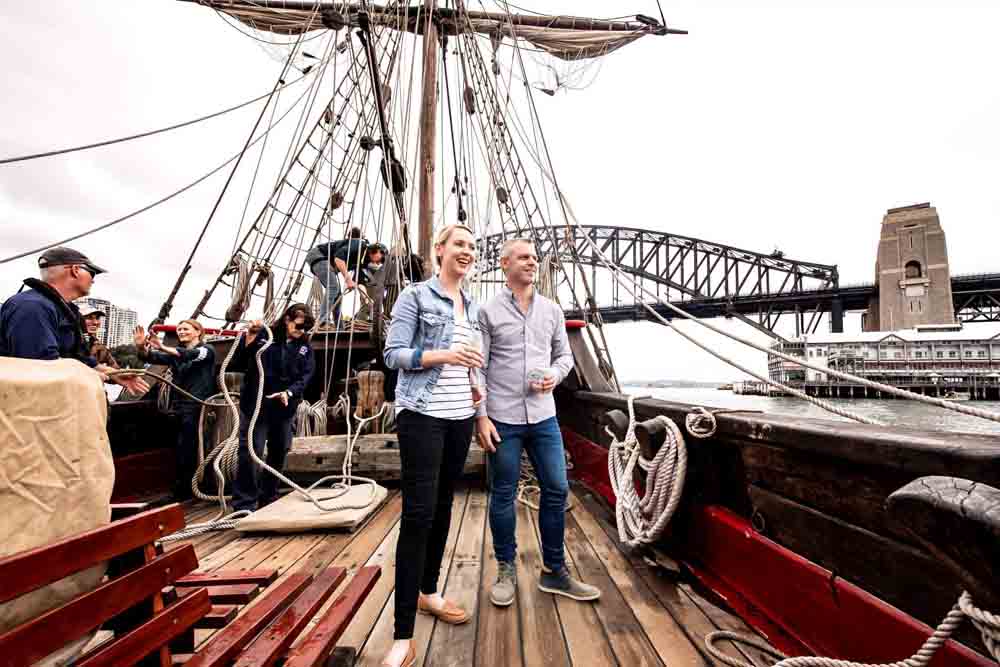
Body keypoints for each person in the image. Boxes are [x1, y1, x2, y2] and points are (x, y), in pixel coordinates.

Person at [476, 238, 601, 608]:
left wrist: (554, 375)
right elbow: (478, 367)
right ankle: (506, 569)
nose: (532, 262)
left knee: (557, 488)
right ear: (505, 264)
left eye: (534, 257)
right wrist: (481, 417)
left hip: (544, 415)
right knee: (503, 493)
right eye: (523, 257)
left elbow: (564, 356)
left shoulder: (552, 311)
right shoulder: (487, 312)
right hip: (503, 417)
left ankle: (554, 571)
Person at [380, 223, 483, 667]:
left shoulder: (472, 306)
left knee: (442, 508)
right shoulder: (415, 296)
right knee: (418, 516)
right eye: (459, 243)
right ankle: (402, 636)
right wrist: (444, 355)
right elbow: (393, 354)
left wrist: (479, 407)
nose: (467, 251)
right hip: (422, 416)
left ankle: (429, 592)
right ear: (439, 250)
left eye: (472, 246)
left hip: (460, 418)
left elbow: (473, 366)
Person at [0, 246, 147, 395]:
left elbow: (82, 360)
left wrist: (114, 374)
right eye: (92, 273)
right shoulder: (32, 307)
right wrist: (89, 375)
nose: (93, 280)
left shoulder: (68, 312)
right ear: (75, 270)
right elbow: (40, 367)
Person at [231, 303, 316, 512]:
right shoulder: (263, 336)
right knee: (251, 452)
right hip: (257, 406)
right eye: (299, 326)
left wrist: (289, 393)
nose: (302, 331)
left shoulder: (305, 348)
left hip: (284, 408)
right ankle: (245, 504)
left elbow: (305, 376)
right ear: (287, 320)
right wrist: (249, 338)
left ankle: (268, 495)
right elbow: (238, 362)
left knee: (280, 450)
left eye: (306, 328)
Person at [133, 320, 217, 500]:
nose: (181, 332)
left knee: (189, 447)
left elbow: (191, 355)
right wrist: (141, 348)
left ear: (198, 332)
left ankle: (187, 491)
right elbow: (151, 358)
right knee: (179, 447)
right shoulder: (176, 355)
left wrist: (162, 346)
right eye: (179, 329)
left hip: (197, 407)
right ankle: (181, 488)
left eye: (186, 329)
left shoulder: (207, 350)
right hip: (179, 406)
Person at [306, 227, 372, 325]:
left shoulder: (361, 260)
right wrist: (348, 280)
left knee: (337, 295)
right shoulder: (359, 243)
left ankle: (339, 327)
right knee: (333, 287)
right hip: (319, 256)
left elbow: (360, 281)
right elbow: (338, 258)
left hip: (323, 260)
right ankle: (323, 321)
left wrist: (366, 298)